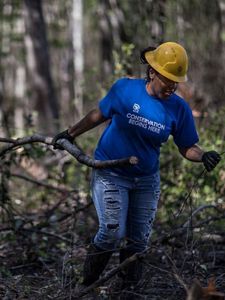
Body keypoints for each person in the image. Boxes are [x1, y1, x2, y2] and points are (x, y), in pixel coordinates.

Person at [53, 42, 221, 288]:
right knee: (111, 231)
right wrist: (70, 133)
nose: (172, 85)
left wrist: (203, 155)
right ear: (152, 72)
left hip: (146, 181)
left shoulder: (179, 108)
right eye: (168, 78)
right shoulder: (125, 90)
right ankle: (86, 284)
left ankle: (126, 289)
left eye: (176, 80)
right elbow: (99, 114)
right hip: (110, 172)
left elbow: (186, 147)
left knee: (139, 241)